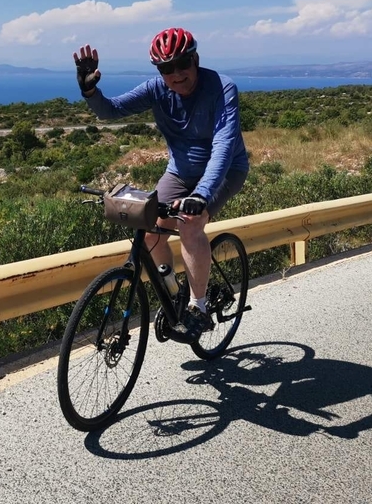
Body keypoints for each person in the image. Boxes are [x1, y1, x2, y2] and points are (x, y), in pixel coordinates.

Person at [73, 27, 250, 341]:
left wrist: (202, 195)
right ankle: (174, 294)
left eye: (182, 64)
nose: (176, 74)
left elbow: (223, 146)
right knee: (151, 228)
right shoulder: (157, 89)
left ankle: (199, 306)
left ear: (195, 59)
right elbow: (111, 110)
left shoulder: (222, 88)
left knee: (190, 225)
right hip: (180, 172)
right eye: (167, 68)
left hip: (225, 172)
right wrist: (90, 92)